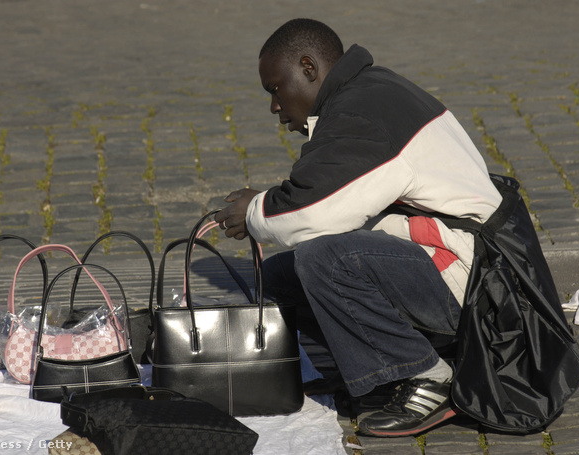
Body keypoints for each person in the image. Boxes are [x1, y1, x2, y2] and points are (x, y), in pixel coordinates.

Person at [214, 18, 502, 437]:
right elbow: (333, 193)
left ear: (308, 68)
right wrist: (269, 204)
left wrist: (255, 210)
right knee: (279, 276)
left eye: (275, 89)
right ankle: (374, 375)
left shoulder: (360, 112)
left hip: (467, 279)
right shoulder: (365, 93)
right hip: (447, 260)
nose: (275, 107)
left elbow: (316, 212)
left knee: (323, 260)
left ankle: (427, 378)